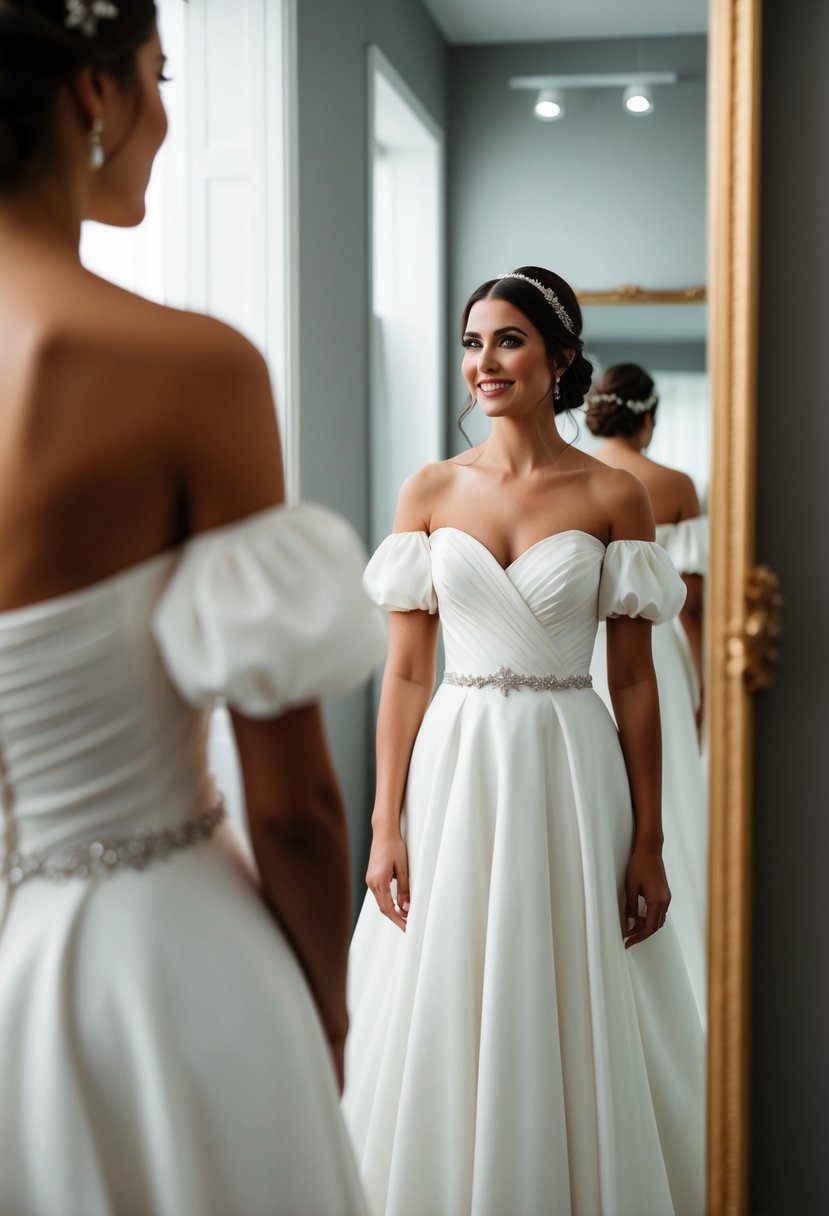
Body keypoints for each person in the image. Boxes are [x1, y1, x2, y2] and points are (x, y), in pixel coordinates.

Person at [0, 4, 383, 1214]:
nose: (167, 115)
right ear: (94, 96)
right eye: (158, 77)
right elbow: (299, 807)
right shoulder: (190, 370)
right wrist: (323, 1006)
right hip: (162, 971)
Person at [343, 267, 705, 1216]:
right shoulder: (429, 488)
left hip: (568, 766)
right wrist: (384, 822)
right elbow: (409, 673)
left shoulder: (613, 495)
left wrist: (649, 836)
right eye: (471, 342)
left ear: (559, 357)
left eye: (505, 340)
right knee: (450, 978)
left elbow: (630, 678)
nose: (483, 362)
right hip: (455, 763)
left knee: (565, 986)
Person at [587, 364, 708, 1026]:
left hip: (585, 654)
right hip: (655, 650)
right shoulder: (673, 486)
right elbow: (690, 604)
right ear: (647, 417)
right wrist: (702, 685)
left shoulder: (574, 476)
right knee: (670, 794)